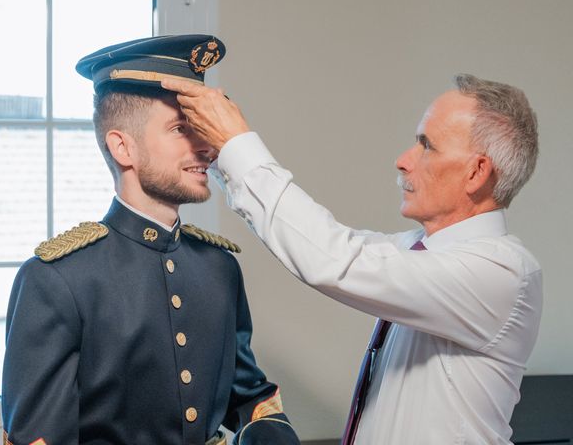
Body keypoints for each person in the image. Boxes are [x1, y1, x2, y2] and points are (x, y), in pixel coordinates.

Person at [161, 73, 542, 444]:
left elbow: (334, 259)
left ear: (476, 172)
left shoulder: (502, 273)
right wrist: (217, 159)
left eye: (428, 145)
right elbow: (323, 241)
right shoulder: (417, 249)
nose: (404, 160)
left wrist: (236, 143)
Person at [1, 35, 301, 445]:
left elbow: (250, 399)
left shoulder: (219, 268)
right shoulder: (55, 281)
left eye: (202, 130)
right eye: (181, 129)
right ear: (123, 147)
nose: (208, 148)